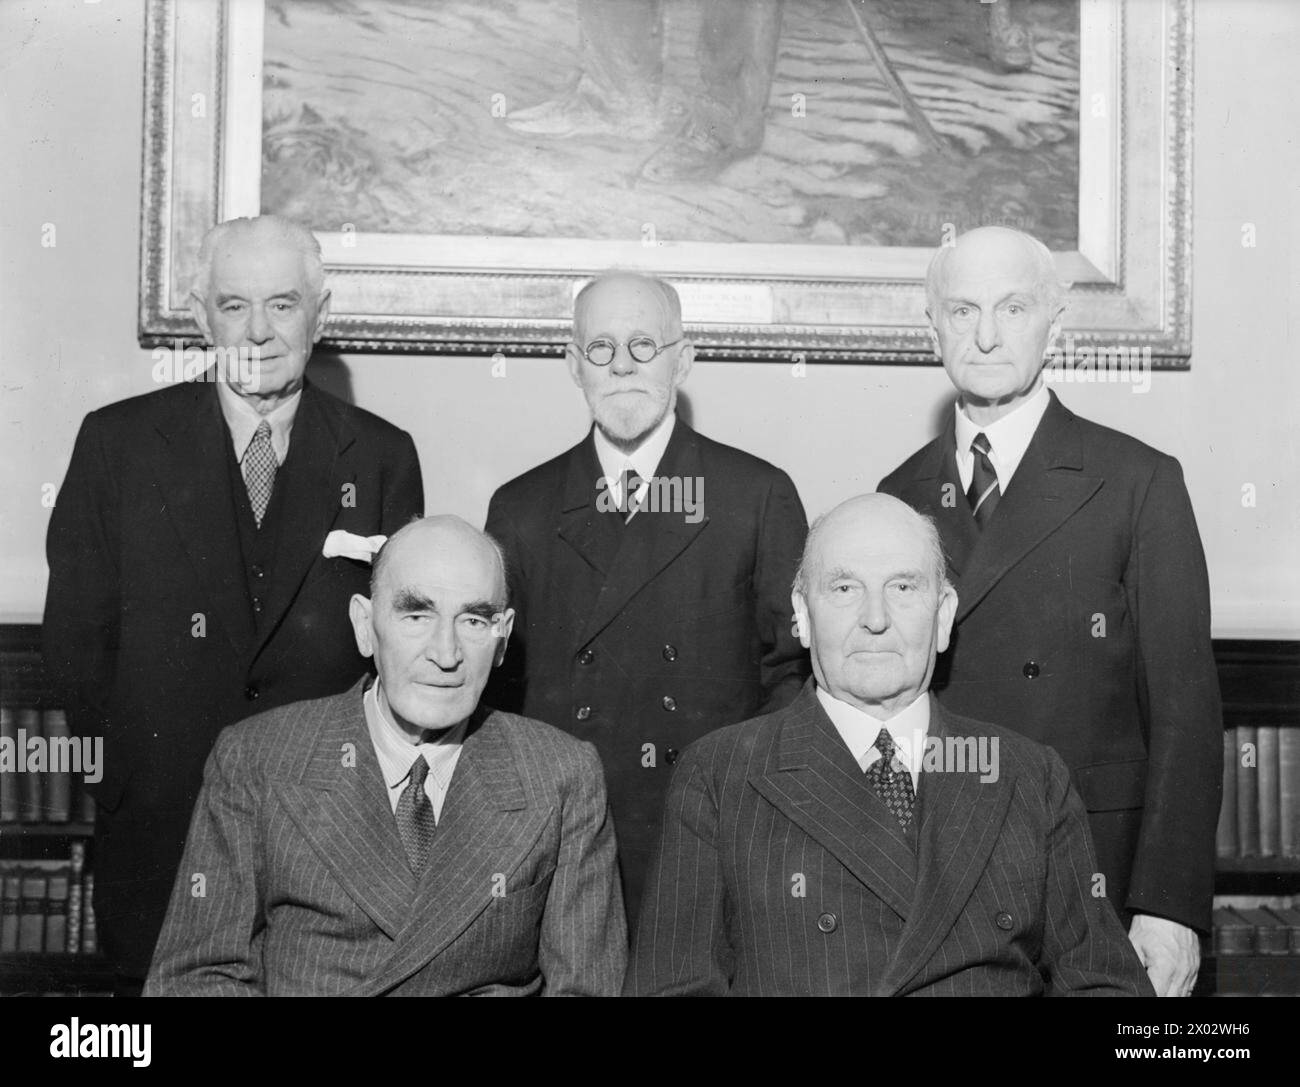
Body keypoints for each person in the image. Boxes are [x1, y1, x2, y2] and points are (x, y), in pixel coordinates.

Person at [43, 215, 424, 992]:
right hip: (159, 833)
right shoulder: (117, 444)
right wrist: (121, 785)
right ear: (198, 316)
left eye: (283, 304)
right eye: (234, 305)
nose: (259, 329)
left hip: (330, 840)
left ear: (321, 315)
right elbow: (75, 645)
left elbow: (403, 650)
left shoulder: (383, 455)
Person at [878, 225, 1221, 997]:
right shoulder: (894, 496)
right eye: (962, 310)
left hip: (1094, 873)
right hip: (938, 878)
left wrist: (1167, 906)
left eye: (1014, 307)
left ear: (1055, 325)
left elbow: (1185, 711)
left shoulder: (1136, 482)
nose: (987, 333)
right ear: (931, 326)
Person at [627, 494, 1153, 996]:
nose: (875, 619)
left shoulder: (1029, 776)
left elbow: (1102, 985)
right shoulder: (721, 775)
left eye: (903, 588)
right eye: (843, 589)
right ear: (802, 615)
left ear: (944, 614)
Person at [145, 517, 626, 996]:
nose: (446, 652)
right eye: (416, 615)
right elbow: (194, 980)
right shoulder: (258, 760)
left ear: (502, 637)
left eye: (474, 620)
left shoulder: (561, 775)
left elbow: (586, 991)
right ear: (365, 626)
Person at [485, 271, 808, 926]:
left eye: (644, 345)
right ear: (573, 365)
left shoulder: (756, 494)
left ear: (682, 358)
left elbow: (795, 675)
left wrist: (743, 804)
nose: (623, 366)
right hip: (564, 842)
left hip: (706, 834)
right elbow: (493, 689)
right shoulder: (520, 507)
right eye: (601, 348)